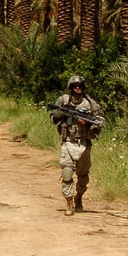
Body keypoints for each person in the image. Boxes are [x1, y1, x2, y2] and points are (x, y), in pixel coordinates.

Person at [50, 75, 104, 216]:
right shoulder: (63, 100)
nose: (77, 88)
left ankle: (78, 196)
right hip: (68, 141)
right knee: (67, 173)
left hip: (84, 142)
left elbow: (100, 120)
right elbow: (52, 118)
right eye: (75, 86)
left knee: (83, 176)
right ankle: (69, 202)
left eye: (80, 85)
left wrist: (88, 124)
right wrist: (62, 114)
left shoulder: (90, 103)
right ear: (70, 87)